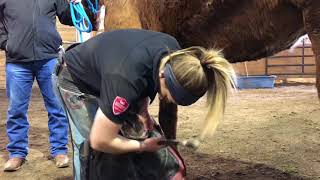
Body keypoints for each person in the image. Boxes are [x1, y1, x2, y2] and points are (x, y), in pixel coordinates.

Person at [54, 29, 236, 179]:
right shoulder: (124, 81)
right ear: (164, 75)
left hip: (112, 75)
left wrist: (143, 110)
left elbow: (147, 73)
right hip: (75, 79)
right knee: (90, 149)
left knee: (136, 133)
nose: (171, 101)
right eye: (171, 95)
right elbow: (100, 139)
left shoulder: (173, 52)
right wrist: (142, 146)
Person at [0, 0, 99, 171]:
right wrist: (7, 43)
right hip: (17, 62)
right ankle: (17, 153)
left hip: (48, 59)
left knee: (57, 107)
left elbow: (69, 17)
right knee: (16, 110)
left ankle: (59, 150)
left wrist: (79, 5)